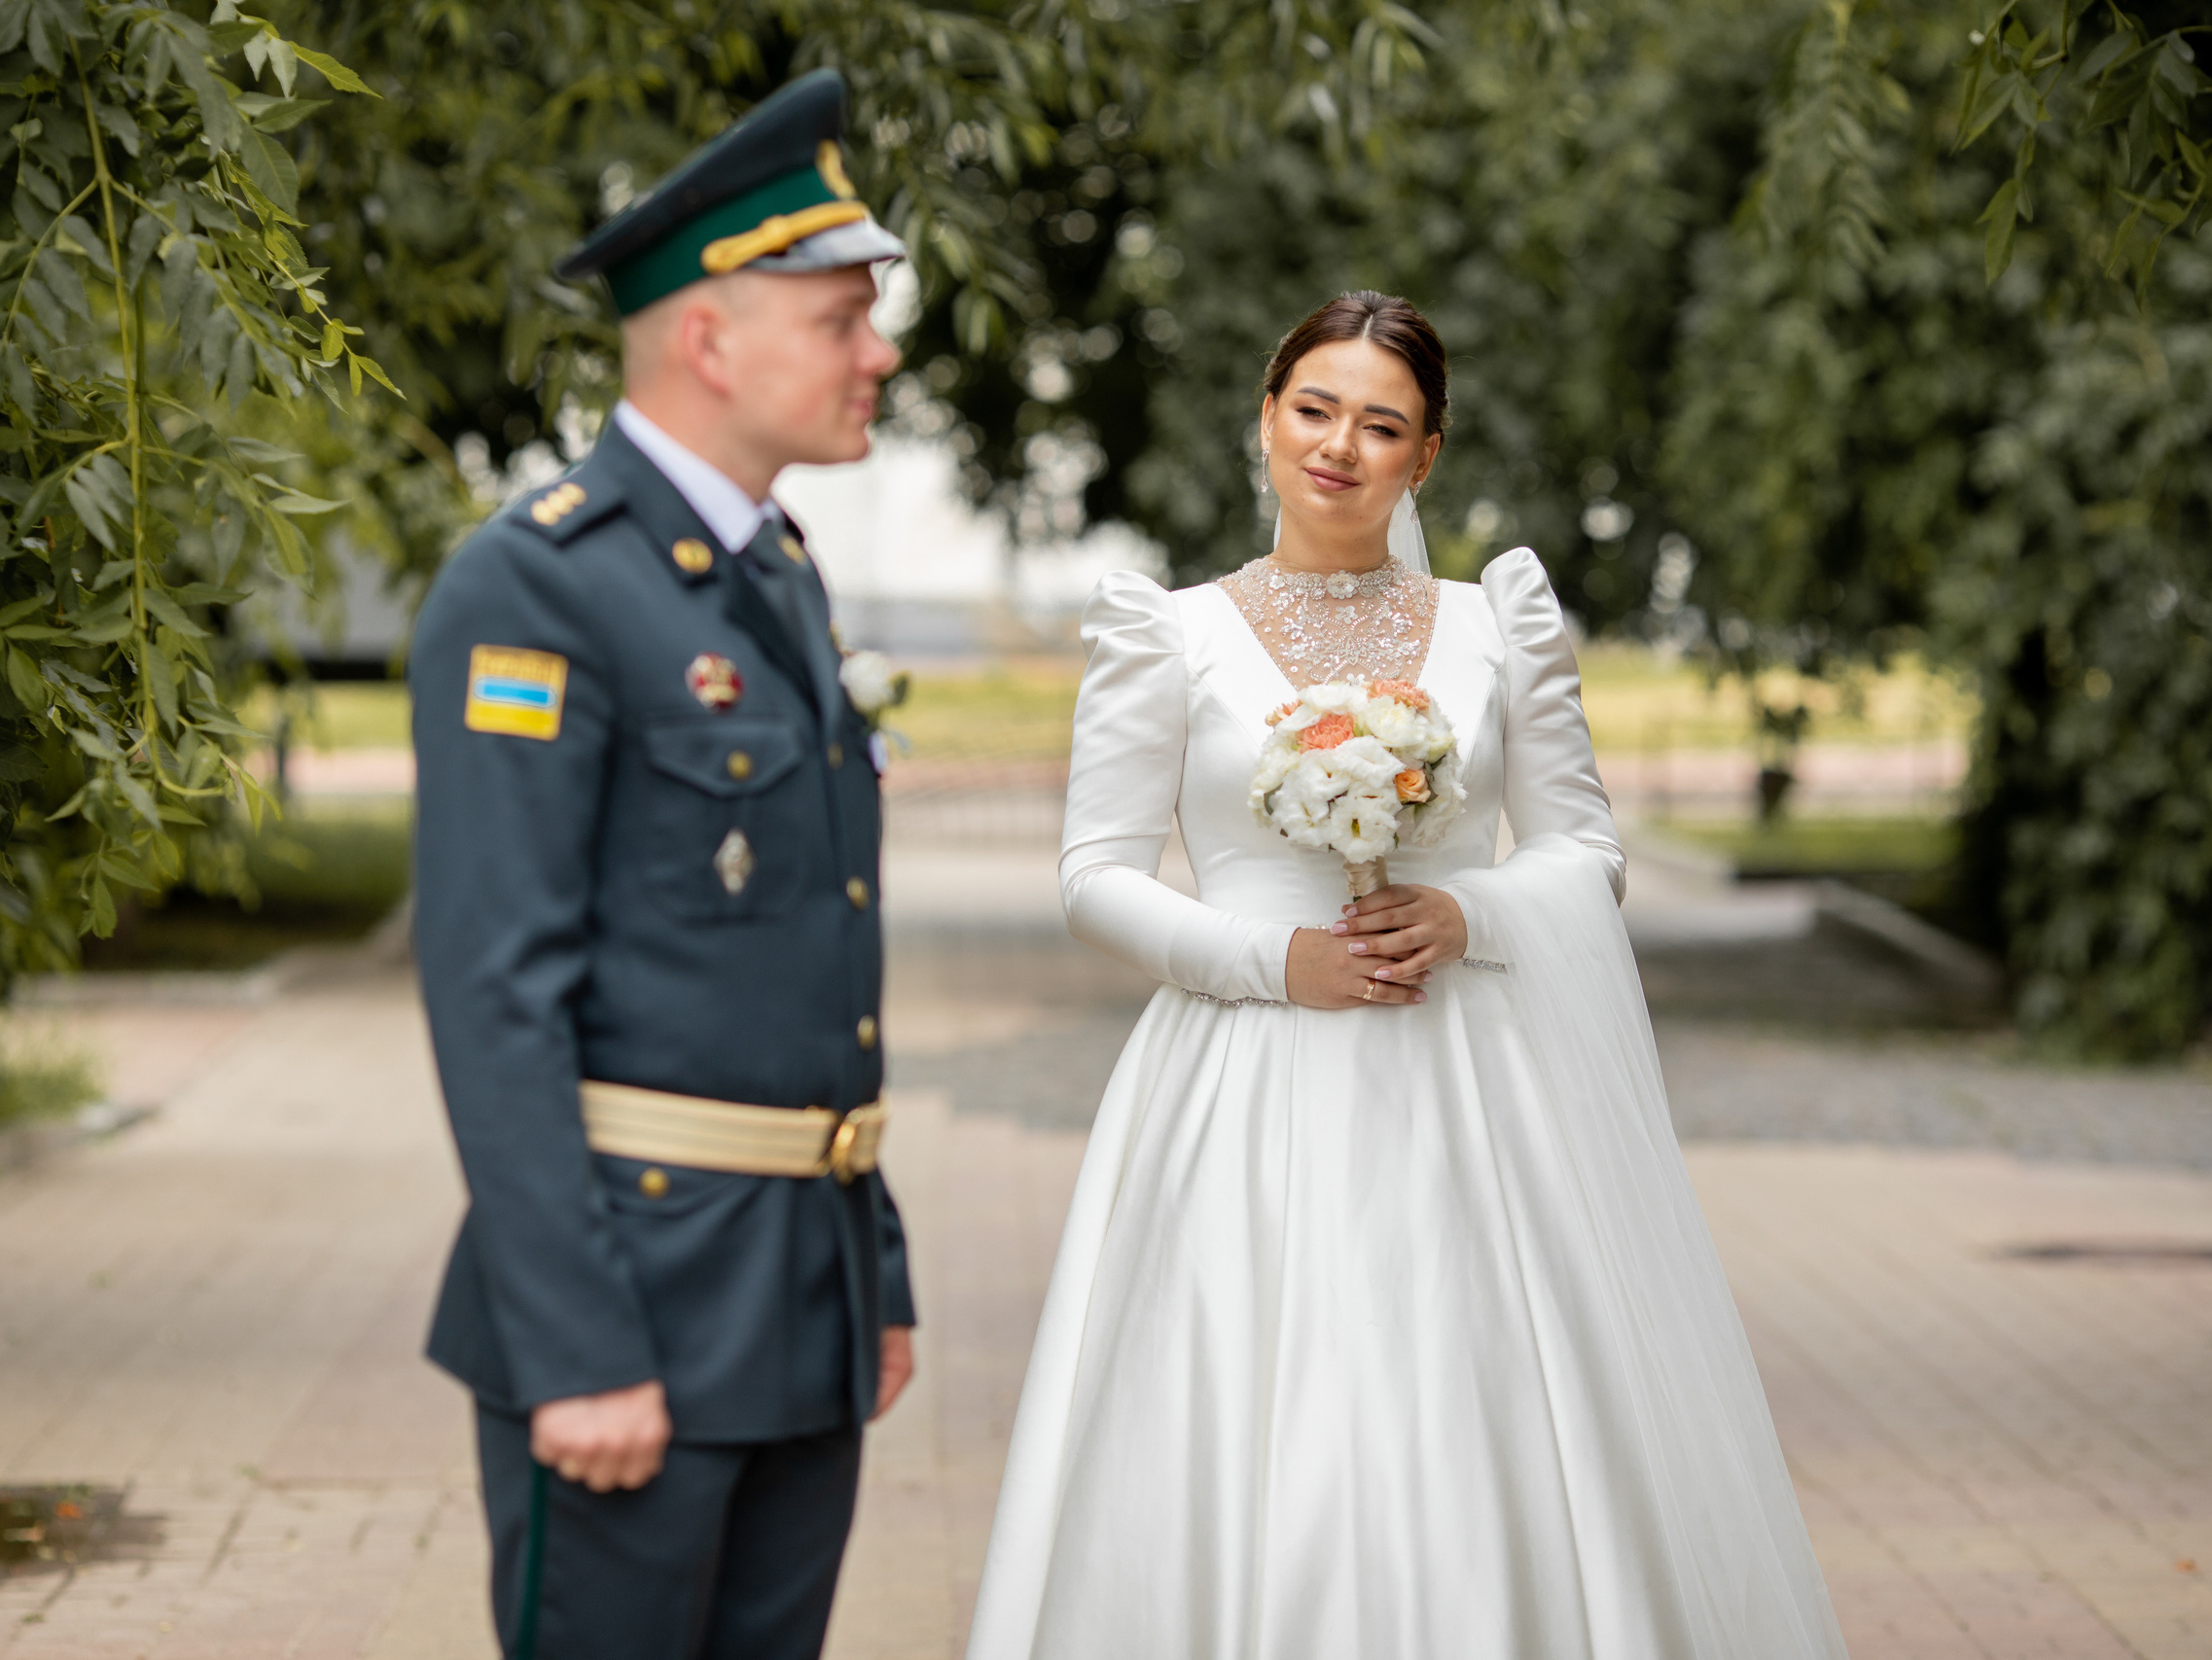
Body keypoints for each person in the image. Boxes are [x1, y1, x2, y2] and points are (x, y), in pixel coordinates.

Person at [964, 291, 1851, 1658]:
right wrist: (1274, 962)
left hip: (1471, 1086)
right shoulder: (1169, 633)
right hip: (1245, 1076)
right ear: (1266, 418)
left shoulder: (1495, 626)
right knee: (1250, 1405)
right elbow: (1095, 876)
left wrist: (1468, 912)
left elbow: (1586, 851)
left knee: (1478, 1395)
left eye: (1382, 425)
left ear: (1425, 457)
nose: (1340, 446)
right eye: (1314, 409)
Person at [408, 69, 916, 1660]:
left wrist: (875, 1266)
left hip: (799, 1300)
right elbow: (495, 992)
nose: (879, 353)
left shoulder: (770, 572)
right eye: (841, 320)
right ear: (710, 338)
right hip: (632, 1310)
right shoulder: (539, 587)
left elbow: (810, 957)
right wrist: (573, 1349)